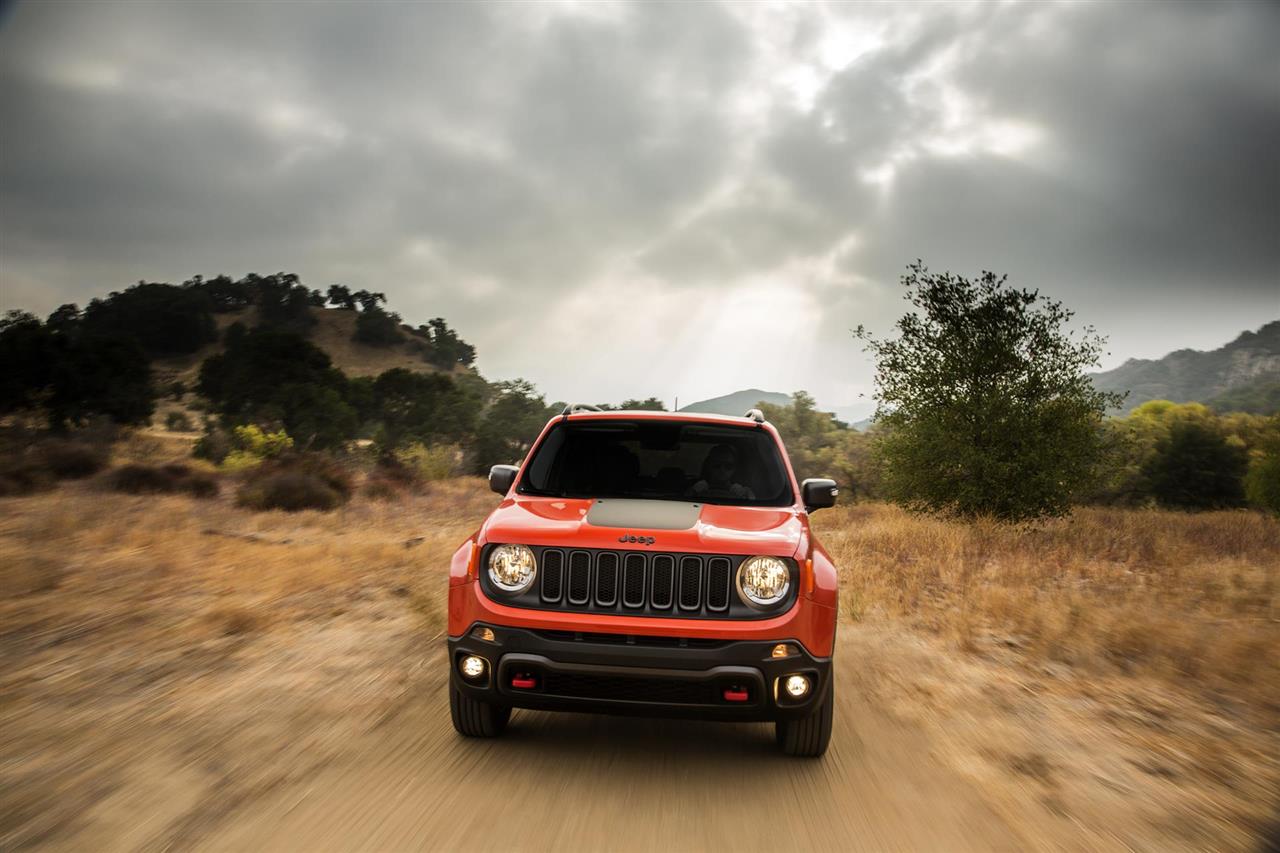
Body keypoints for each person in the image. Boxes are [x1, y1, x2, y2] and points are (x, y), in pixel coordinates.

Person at [688, 444, 755, 500]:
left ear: (735, 469)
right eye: (717, 465)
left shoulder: (744, 493)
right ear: (709, 466)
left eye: (728, 466)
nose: (722, 470)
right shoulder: (696, 489)